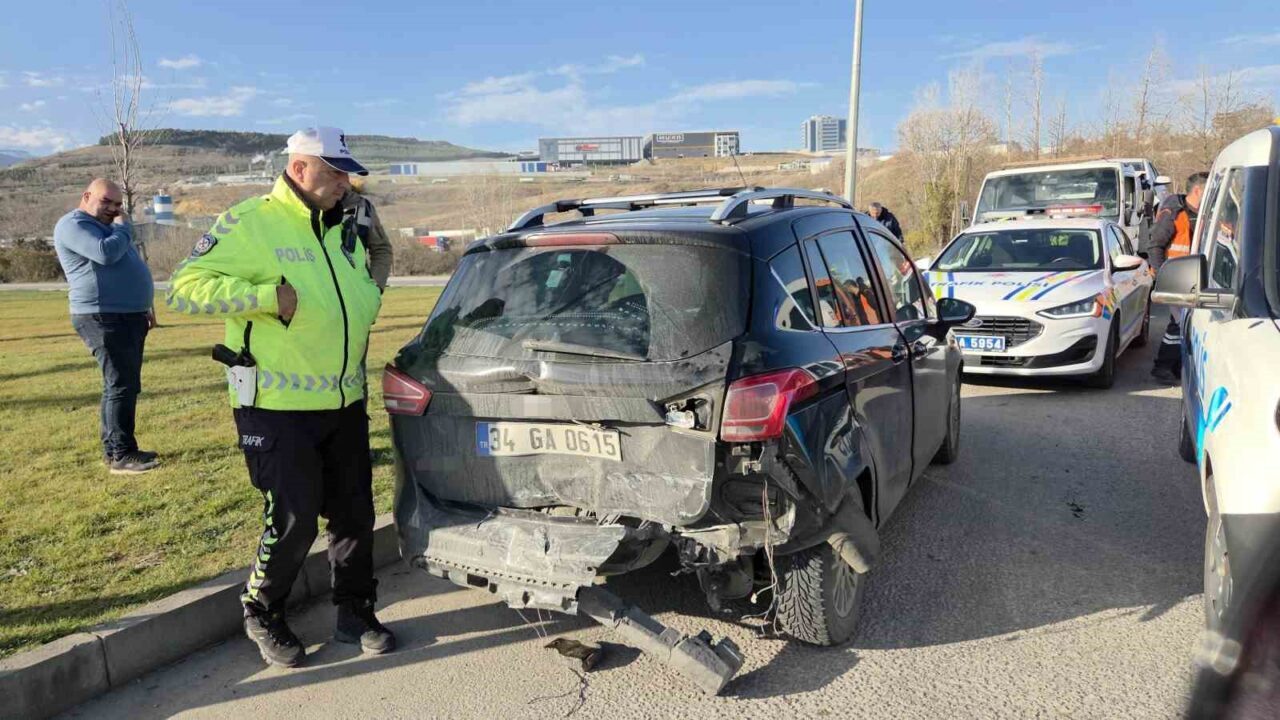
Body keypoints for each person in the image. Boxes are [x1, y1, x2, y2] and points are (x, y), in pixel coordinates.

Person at [167, 126, 392, 667]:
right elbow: (183, 287)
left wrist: (370, 294)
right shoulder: (250, 221)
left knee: (355, 514)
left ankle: (355, 611)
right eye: (335, 171)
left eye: (347, 172)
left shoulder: (341, 226)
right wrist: (266, 297)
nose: (346, 181)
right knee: (293, 519)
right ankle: (263, 611)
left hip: (344, 399)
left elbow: (364, 274)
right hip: (275, 405)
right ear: (299, 168)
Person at [53, 179, 159, 474]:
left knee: (122, 384)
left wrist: (144, 306)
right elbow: (105, 253)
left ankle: (116, 448)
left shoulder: (108, 226)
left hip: (127, 315)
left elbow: (125, 262)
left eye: (118, 205)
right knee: (120, 384)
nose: (113, 210)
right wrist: (124, 226)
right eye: (106, 202)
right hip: (102, 316)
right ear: (86, 196)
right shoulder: (72, 225)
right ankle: (121, 455)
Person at [1142, 171, 1208, 386]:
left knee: (1183, 324)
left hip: (1194, 277)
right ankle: (1162, 367)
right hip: (1175, 278)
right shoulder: (1173, 213)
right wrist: (1163, 277)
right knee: (1179, 324)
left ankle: (1173, 366)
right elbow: (1155, 246)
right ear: (1198, 190)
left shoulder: (1204, 212)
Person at [339, 187, 393, 290]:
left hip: (356, 296)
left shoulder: (363, 207)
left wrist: (374, 289)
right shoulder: (304, 207)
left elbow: (381, 249)